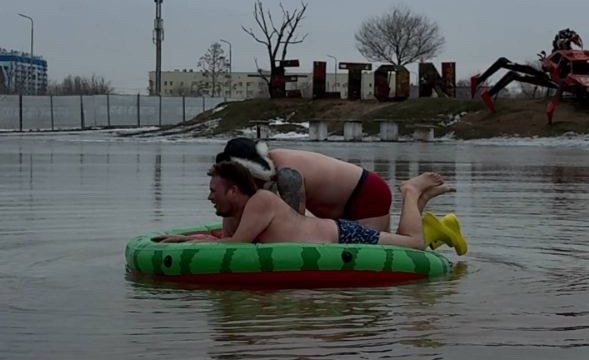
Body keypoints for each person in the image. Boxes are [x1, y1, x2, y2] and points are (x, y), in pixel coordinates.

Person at [159, 162, 454, 250]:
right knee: (405, 240)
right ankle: (422, 206)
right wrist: (186, 238)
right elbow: (223, 237)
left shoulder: (260, 202)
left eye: (214, 191)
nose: (209, 197)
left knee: (413, 244)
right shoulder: (239, 211)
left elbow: (235, 244)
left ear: (233, 191)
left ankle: (412, 192)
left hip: (341, 234)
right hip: (332, 232)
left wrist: (185, 241)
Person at [214, 138, 393, 231]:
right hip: (343, 203)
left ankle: (412, 193)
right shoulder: (263, 174)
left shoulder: (288, 174)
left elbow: (293, 224)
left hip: (365, 193)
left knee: (380, 247)